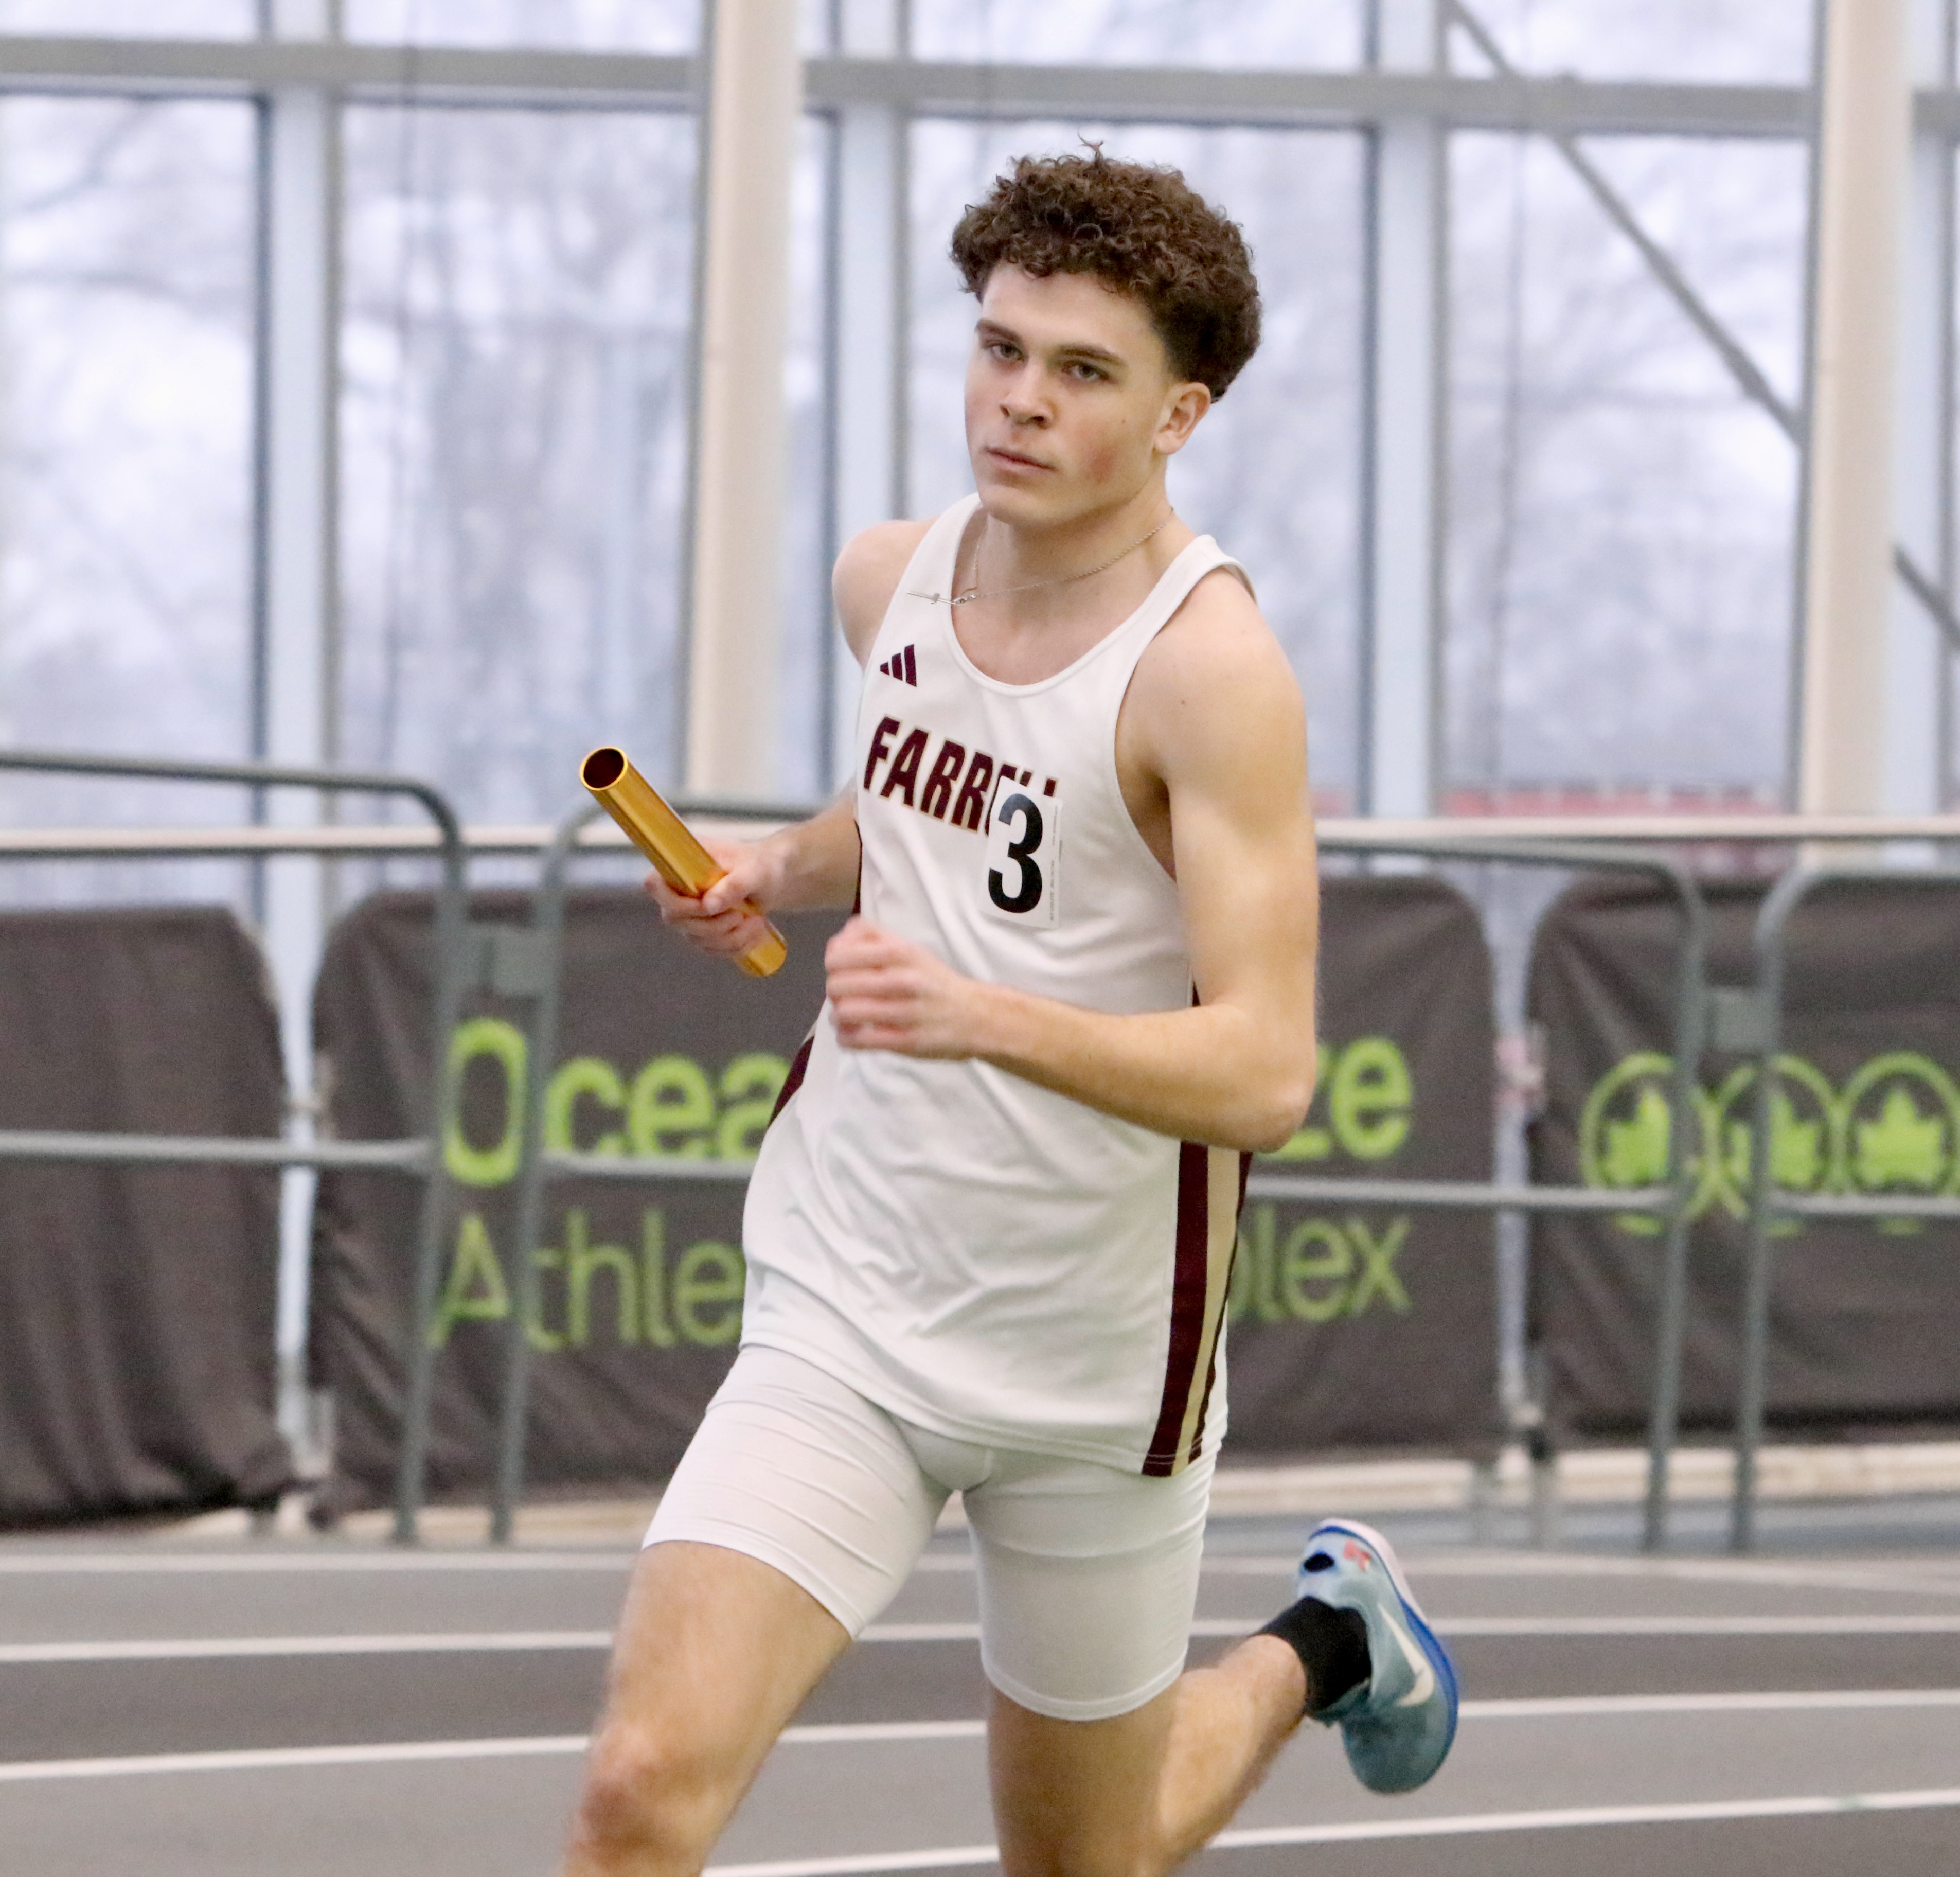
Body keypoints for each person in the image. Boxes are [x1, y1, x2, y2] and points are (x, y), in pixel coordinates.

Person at [559, 149, 1456, 1877]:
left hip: (1094, 1357)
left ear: (1181, 411)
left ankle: (1330, 1644)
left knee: (1083, 1865)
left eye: (1083, 372)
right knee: (638, 1791)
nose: (1019, 403)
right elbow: (909, 815)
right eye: (999, 348)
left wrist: (984, 1018)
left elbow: (1267, 1072)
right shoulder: (888, 579)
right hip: (852, 1296)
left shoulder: (1209, 675)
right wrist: (776, 864)